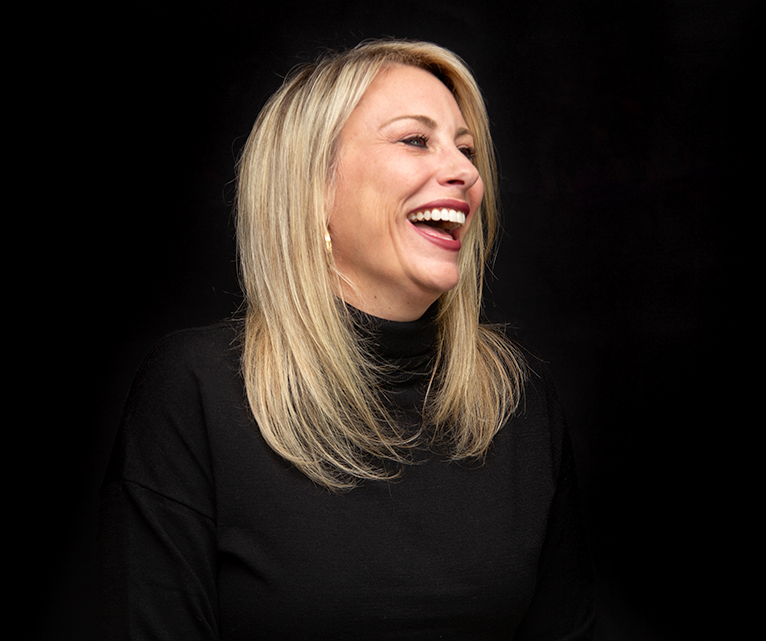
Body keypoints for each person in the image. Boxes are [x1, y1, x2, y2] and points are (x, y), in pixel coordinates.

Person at [99, 39, 595, 640]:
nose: (467, 172)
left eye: (466, 150)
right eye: (416, 140)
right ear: (315, 190)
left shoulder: (516, 400)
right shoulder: (198, 390)